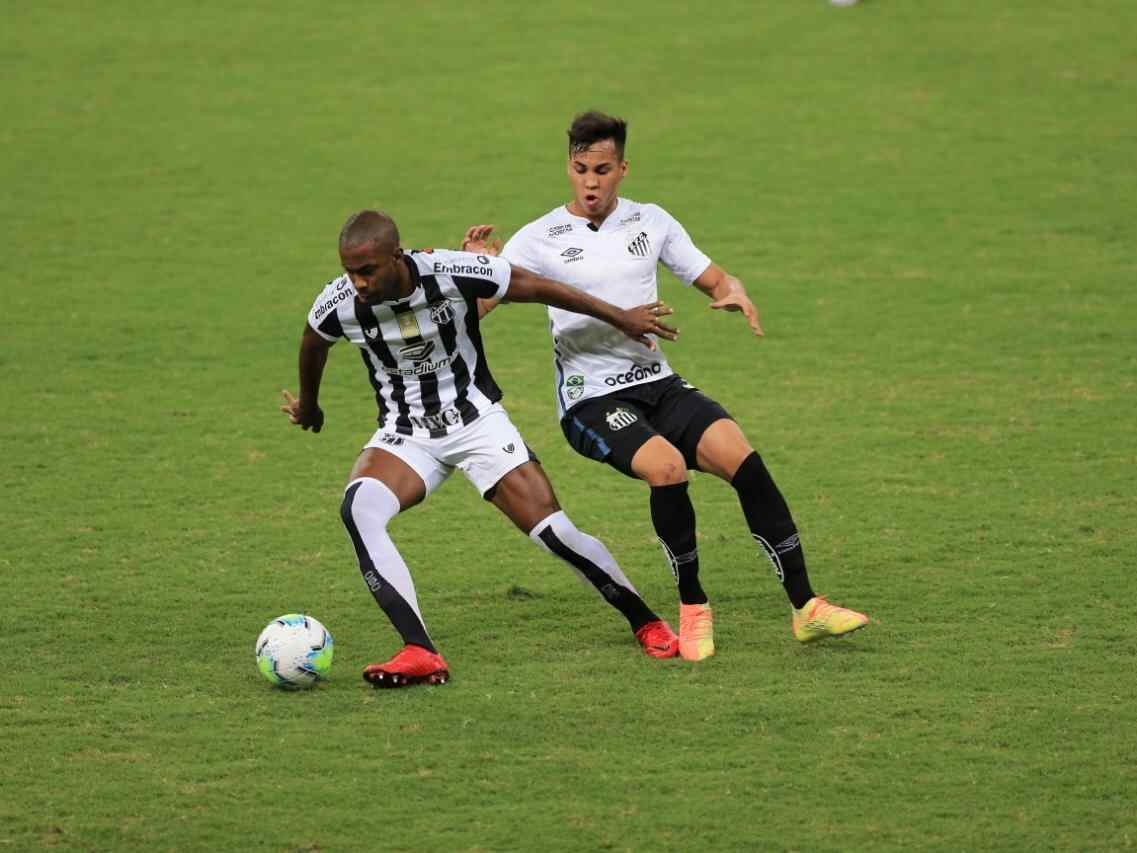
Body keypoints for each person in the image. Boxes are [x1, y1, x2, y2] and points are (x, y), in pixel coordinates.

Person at [462, 111, 868, 661]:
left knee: (744, 460)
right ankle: (693, 608)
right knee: (666, 468)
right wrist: (476, 270)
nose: (590, 183)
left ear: (622, 169)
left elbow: (713, 276)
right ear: (569, 167)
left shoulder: (651, 222)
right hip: (592, 399)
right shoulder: (538, 238)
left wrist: (734, 291)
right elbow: (479, 307)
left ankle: (807, 608)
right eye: (581, 169)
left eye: (602, 170)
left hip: (658, 383)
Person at [280, 209, 684, 688]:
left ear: (396, 257)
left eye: (367, 271)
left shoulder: (449, 270)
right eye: (350, 270)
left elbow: (538, 287)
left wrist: (619, 316)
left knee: (552, 532)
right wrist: (310, 405)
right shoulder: (341, 301)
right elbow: (313, 342)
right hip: (406, 434)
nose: (358, 282)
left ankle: (645, 620)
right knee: (359, 509)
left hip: (477, 424)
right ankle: (420, 650)